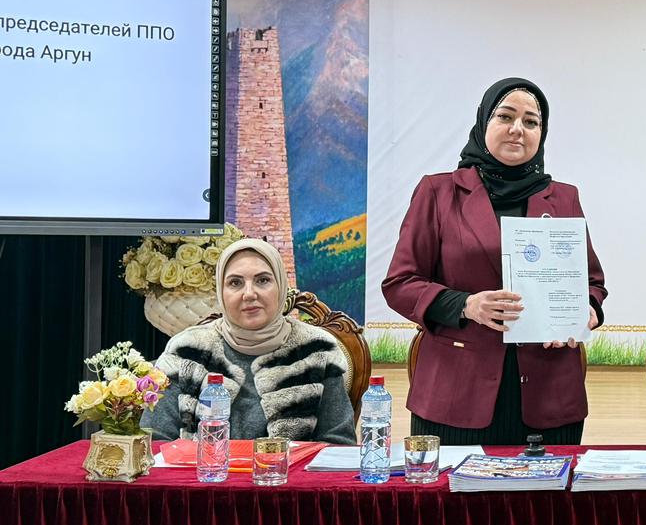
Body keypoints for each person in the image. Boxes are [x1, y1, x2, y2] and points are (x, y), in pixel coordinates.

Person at [382, 77, 607, 445]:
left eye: (531, 121)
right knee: (449, 486)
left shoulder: (564, 198)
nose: (518, 129)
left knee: (547, 487)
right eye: (505, 116)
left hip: (549, 395)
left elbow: (592, 283)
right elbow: (400, 283)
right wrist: (466, 305)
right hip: (455, 395)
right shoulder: (438, 192)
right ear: (483, 122)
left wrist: (587, 309)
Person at [144, 238, 356, 443]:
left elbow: (338, 444)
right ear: (220, 292)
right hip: (204, 468)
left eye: (262, 280)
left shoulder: (316, 349)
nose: (249, 294)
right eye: (235, 283)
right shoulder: (186, 350)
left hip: (290, 469)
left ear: (281, 286)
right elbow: (154, 441)